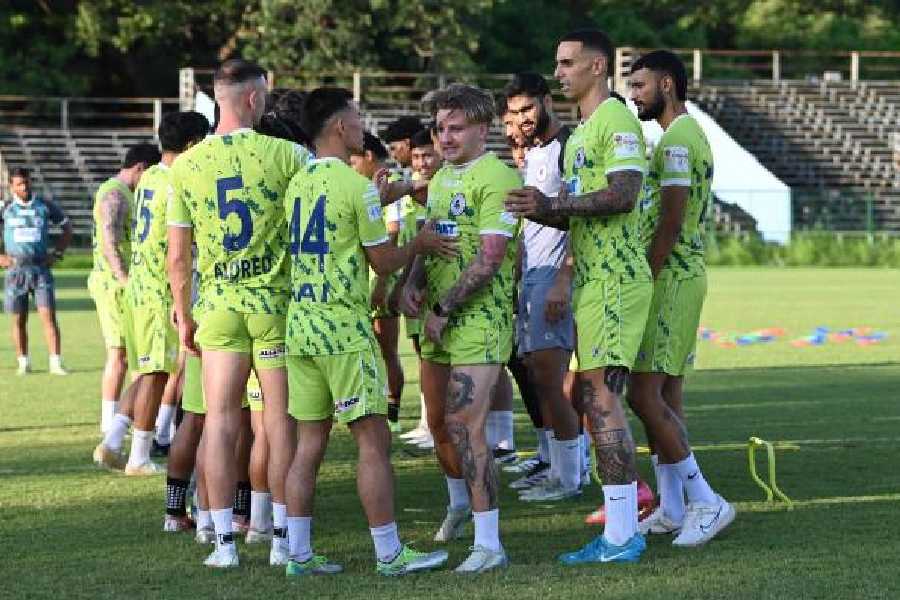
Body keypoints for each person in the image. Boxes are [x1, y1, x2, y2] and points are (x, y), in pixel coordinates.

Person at [282, 87, 453, 577]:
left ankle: (298, 554)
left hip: (302, 327)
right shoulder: (353, 186)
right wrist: (419, 242)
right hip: (342, 328)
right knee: (373, 442)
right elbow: (383, 260)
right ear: (339, 127)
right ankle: (390, 553)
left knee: (308, 444)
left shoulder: (299, 182)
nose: (362, 125)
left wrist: (395, 191)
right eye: (356, 117)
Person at [505, 28, 651, 565]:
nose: (559, 72)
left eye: (567, 63)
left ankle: (621, 534)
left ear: (597, 66)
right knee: (596, 398)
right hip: (595, 279)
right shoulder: (587, 128)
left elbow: (624, 194)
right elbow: (583, 203)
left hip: (615, 279)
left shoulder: (614, 120)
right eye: (557, 63)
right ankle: (627, 525)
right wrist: (541, 208)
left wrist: (553, 205)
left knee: (602, 400)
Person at [166, 59, 312, 568]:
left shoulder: (185, 166)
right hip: (274, 305)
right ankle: (279, 539)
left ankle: (224, 542)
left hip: (220, 307)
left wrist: (183, 316)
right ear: (254, 98)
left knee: (220, 422)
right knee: (277, 421)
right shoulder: (290, 155)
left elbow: (178, 257)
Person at [400, 83, 522, 573]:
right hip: (442, 315)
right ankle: (468, 516)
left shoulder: (498, 176)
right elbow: (434, 239)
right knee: (443, 424)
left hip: (479, 317)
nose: (445, 138)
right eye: (439, 129)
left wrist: (444, 308)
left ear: (482, 128)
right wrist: (413, 280)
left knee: (464, 426)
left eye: (455, 128)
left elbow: (491, 260)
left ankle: (489, 544)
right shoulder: (445, 178)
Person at [629, 49, 735, 545]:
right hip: (685, 276)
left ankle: (706, 501)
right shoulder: (691, 134)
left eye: (641, 86)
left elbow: (670, 222)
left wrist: (644, 277)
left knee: (642, 394)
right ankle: (672, 507)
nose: (634, 96)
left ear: (667, 85)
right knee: (666, 396)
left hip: (671, 279)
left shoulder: (675, 143)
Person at [94, 112, 209, 475]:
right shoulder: (177, 180)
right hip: (159, 288)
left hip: (139, 286)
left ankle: (114, 438)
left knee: (148, 371)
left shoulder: (149, 177)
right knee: (159, 371)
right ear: (192, 144)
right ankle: (139, 455)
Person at [502, 73, 584, 502]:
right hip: (533, 274)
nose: (522, 119)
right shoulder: (532, 153)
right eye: (514, 112)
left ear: (547, 103)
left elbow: (579, 218)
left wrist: (563, 280)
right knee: (537, 375)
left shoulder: (568, 149)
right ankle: (555, 464)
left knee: (551, 381)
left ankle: (570, 477)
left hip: (553, 276)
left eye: (528, 109)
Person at [88, 143, 160, 433]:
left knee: (133, 353)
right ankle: (109, 421)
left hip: (125, 285)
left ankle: (127, 417)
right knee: (118, 353)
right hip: (113, 285)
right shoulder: (114, 193)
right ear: (140, 167)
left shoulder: (128, 193)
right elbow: (109, 240)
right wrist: (123, 278)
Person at [350, 132, 406, 433]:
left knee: (387, 349)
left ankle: (393, 411)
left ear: (369, 156)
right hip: (366, 277)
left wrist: (383, 282)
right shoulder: (364, 186)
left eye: (355, 160)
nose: (352, 165)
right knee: (369, 347)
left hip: (381, 276)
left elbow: (393, 231)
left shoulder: (388, 180)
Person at [1, 168, 72, 375]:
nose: (23, 187)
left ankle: (55, 362)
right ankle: (23, 362)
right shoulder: (5, 207)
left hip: (40, 269)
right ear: (11, 186)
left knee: (48, 316)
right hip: (15, 271)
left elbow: (67, 228)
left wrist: (57, 254)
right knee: (18, 319)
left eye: (26, 183)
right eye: (19, 184)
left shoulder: (45, 206)